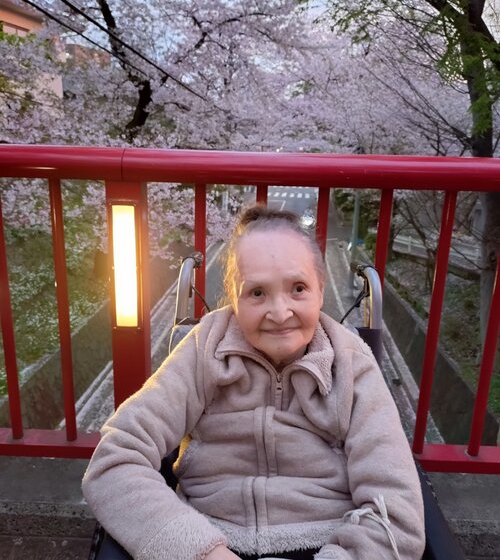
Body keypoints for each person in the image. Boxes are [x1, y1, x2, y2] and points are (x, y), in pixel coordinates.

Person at [82, 205, 425, 560]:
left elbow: (397, 515)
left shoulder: (352, 364)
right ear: (233, 297)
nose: (279, 313)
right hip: (206, 539)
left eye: (298, 288)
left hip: (328, 542)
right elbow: (114, 460)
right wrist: (199, 550)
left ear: (321, 291)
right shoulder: (203, 351)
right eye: (257, 293)